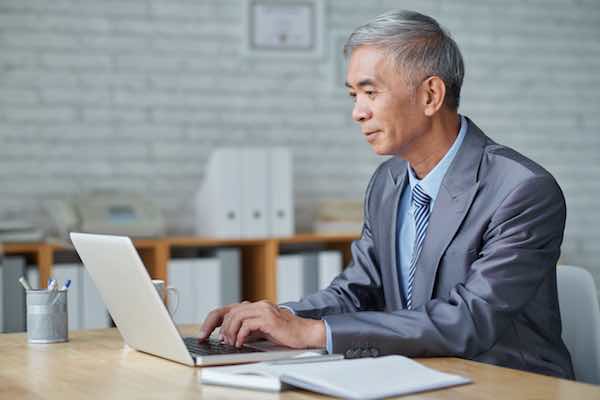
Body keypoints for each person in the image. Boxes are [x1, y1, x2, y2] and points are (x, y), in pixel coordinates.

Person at [199, 10, 574, 379]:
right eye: (353, 95)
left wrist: (313, 333)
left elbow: (469, 320)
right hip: (416, 374)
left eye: (370, 92)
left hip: (508, 384)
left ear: (430, 95)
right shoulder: (388, 181)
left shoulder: (522, 190)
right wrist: (277, 317)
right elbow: (357, 293)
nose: (357, 113)